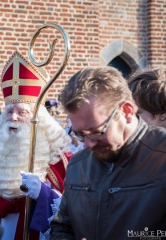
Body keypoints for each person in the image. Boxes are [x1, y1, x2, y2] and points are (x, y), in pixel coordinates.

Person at [0, 51, 73, 240]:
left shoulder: (60, 157)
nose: (14, 117)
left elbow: (72, 211)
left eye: (22, 112)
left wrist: (44, 194)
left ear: (38, 119)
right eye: (9, 111)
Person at [50, 66, 166, 240]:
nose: (88, 144)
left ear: (126, 111)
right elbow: (62, 227)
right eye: (80, 134)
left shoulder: (161, 155)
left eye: (96, 131)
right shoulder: (78, 165)